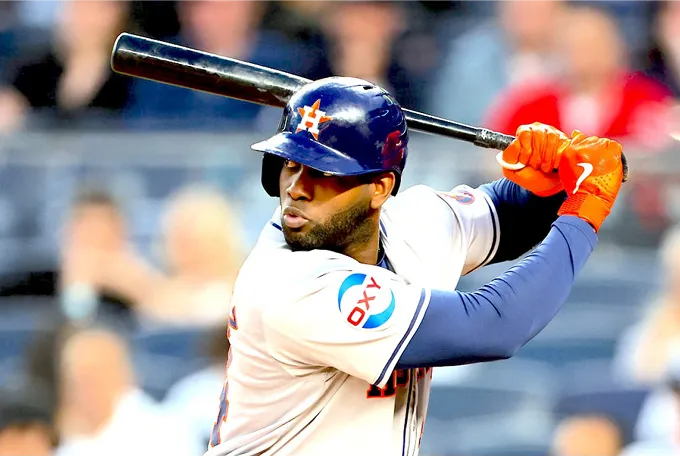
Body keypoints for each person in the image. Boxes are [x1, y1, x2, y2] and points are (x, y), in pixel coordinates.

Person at [205, 76, 624, 456]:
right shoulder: (287, 284)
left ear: (380, 187)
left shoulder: (412, 222)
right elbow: (495, 327)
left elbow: (505, 215)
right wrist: (585, 207)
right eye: (290, 165)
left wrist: (558, 179)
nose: (296, 188)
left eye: (321, 171)